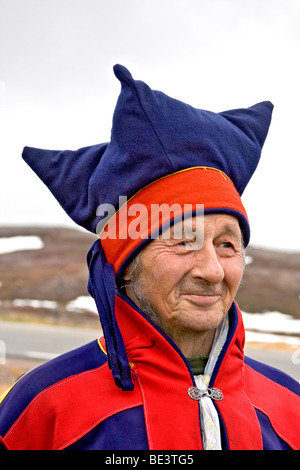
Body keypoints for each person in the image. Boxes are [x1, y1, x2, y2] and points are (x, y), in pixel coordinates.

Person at [0, 65, 299, 450]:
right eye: (182, 242)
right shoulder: (44, 407)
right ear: (128, 265)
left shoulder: (289, 405)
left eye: (227, 245)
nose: (211, 270)